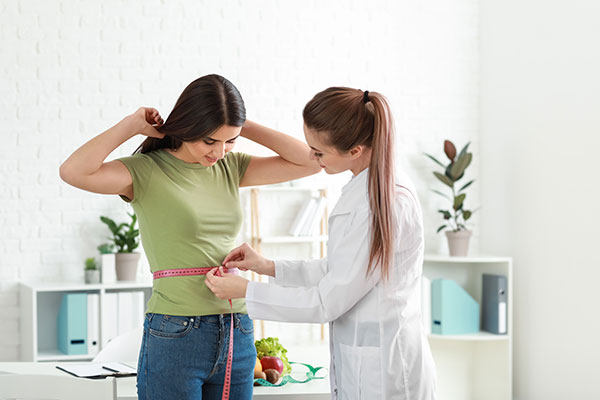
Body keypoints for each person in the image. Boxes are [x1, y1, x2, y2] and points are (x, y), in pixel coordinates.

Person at [59, 74, 321, 400]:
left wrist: (240, 124)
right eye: (210, 141)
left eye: (230, 141)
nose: (220, 152)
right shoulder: (145, 171)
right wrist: (130, 125)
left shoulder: (231, 167)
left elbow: (311, 162)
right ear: (187, 128)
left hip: (237, 327)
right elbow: (73, 172)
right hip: (176, 332)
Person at [205, 87, 437, 399]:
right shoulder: (365, 186)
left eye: (319, 152)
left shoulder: (385, 200)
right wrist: (266, 266)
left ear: (355, 150)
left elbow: (326, 302)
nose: (313, 159)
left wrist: (246, 292)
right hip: (365, 361)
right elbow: (340, 270)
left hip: (386, 372)